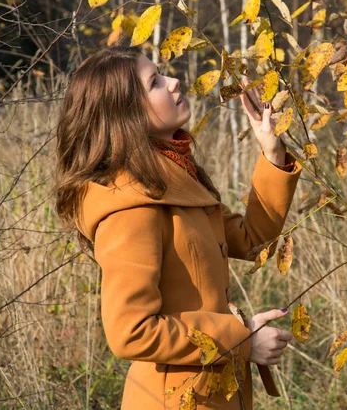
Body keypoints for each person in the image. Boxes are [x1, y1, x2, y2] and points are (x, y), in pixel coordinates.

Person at [53, 46, 303, 410]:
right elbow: (131, 332)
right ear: (127, 114)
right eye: (155, 82)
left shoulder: (169, 177)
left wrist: (272, 152)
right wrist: (242, 338)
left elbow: (251, 239)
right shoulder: (131, 207)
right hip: (175, 399)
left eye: (163, 74)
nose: (173, 82)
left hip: (210, 392)